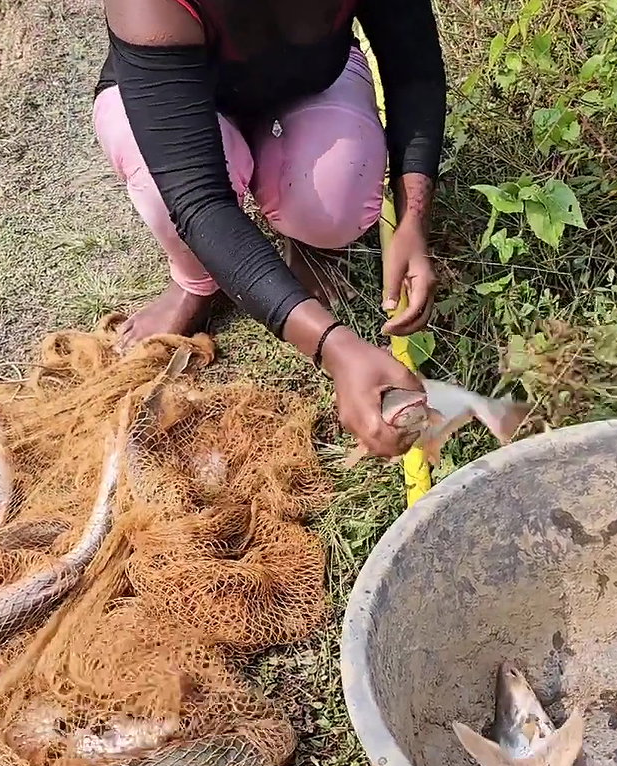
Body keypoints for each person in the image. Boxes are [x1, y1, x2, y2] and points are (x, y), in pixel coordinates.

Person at [93, 0, 447, 459]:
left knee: (334, 201)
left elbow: (413, 71)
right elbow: (199, 200)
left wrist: (413, 221)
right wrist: (331, 347)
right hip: (183, 105)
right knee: (168, 198)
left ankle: (303, 235)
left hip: (311, 82)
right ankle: (197, 280)